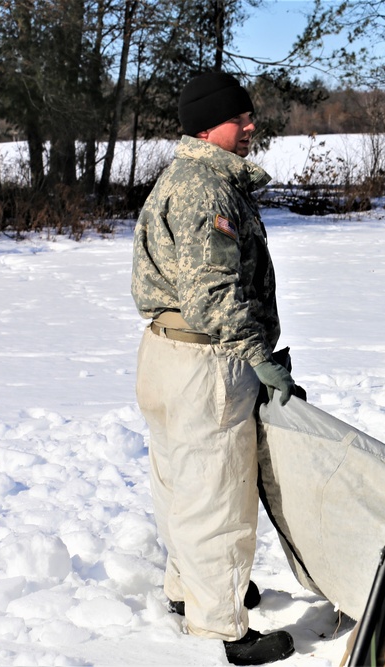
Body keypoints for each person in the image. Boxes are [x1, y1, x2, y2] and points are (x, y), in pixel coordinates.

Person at [131, 71, 297, 665]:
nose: (252, 126)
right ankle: (221, 626)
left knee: (180, 487)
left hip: (166, 354)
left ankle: (189, 591)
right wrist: (260, 358)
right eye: (241, 118)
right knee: (217, 496)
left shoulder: (182, 177)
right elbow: (215, 293)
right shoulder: (205, 187)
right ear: (207, 126)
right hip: (206, 363)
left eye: (251, 115)